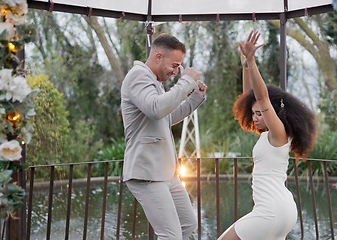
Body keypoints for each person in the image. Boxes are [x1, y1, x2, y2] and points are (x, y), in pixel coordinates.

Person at [218, 30, 317, 240]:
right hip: (282, 210)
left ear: (274, 113)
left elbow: (262, 97)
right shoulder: (269, 136)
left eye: (260, 113)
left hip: (270, 210)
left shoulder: (278, 134)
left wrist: (253, 62)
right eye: (253, 113)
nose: (254, 117)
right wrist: (245, 65)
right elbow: (250, 97)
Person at [120, 33, 207, 240]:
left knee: (188, 224)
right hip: (147, 172)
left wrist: (196, 97)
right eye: (175, 65)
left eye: (179, 68)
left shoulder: (156, 83)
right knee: (170, 235)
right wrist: (185, 81)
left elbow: (167, 117)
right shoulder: (138, 76)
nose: (176, 72)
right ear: (158, 57)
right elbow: (156, 109)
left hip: (166, 172)